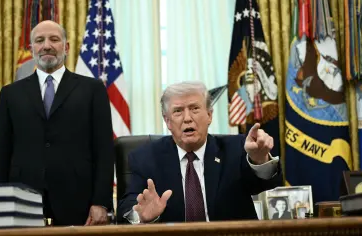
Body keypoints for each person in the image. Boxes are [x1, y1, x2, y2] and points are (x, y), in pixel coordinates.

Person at [0, 20, 114, 226]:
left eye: (54, 39)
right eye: (39, 40)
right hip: (22, 201)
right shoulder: (10, 93)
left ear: (65, 47)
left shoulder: (92, 90)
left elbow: (104, 150)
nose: (46, 45)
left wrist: (101, 202)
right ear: (32, 49)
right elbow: (1, 152)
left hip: (78, 202)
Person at [117, 81, 282, 223]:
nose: (187, 118)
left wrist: (259, 161)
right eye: (178, 111)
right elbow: (127, 207)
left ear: (209, 115)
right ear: (167, 121)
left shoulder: (236, 149)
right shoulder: (145, 157)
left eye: (194, 108)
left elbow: (266, 184)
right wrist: (142, 216)